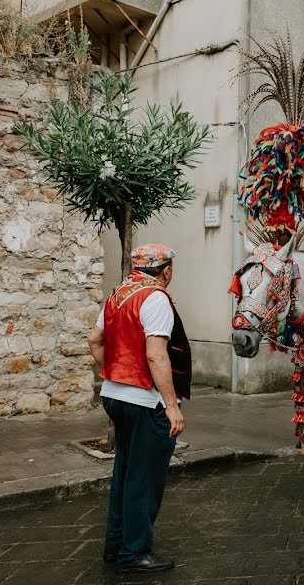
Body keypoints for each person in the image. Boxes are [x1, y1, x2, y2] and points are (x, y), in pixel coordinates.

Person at [87, 244, 189, 574]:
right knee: (144, 479)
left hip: (114, 396)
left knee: (125, 472)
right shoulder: (155, 297)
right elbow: (157, 356)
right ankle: (135, 553)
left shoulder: (118, 294)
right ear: (166, 270)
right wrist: (171, 406)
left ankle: (115, 545)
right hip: (145, 402)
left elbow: (94, 341)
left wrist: (115, 374)